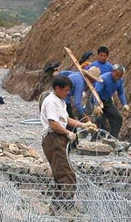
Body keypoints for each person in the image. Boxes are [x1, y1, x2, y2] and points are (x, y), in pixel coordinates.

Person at [41, 75, 96, 209]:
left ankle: (57, 206)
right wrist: (67, 133)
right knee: (66, 175)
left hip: (59, 139)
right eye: (65, 90)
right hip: (53, 139)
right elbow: (53, 123)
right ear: (57, 88)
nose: (67, 93)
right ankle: (65, 207)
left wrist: (83, 125)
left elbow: (65, 119)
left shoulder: (61, 101)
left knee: (61, 173)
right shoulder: (51, 102)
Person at [92, 64, 129, 138]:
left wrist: (124, 104)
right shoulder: (104, 78)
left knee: (117, 118)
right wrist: (97, 105)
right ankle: (94, 139)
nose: (117, 77)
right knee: (99, 118)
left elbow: (121, 93)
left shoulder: (120, 81)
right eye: (116, 75)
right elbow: (96, 92)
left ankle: (112, 139)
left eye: (120, 76)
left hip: (108, 101)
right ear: (112, 71)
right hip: (98, 99)